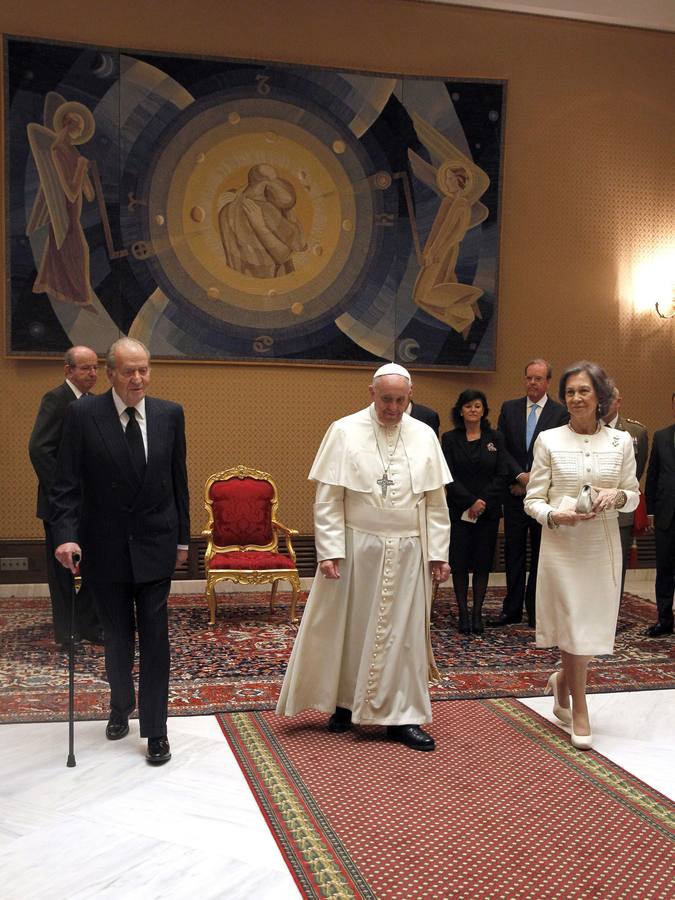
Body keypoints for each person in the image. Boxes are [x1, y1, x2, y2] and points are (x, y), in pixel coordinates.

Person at [276, 362, 451, 752]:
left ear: (410, 396)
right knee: (348, 629)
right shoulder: (344, 430)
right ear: (371, 393)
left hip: (409, 549)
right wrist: (330, 550)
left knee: (403, 637)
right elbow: (328, 498)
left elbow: (436, 504)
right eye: (386, 399)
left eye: (400, 400)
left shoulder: (424, 435)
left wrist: (439, 553)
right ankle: (342, 704)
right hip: (357, 547)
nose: (392, 408)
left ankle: (402, 717)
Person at [51, 338, 190, 765]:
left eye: (144, 370)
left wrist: (183, 540)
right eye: (129, 371)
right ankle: (119, 705)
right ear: (110, 373)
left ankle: (156, 729)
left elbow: (177, 480)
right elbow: (66, 483)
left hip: (155, 544)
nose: (137, 379)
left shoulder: (169, 414)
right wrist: (65, 535)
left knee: (155, 639)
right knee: (116, 637)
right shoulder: (83, 414)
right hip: (105, 546)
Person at [524, 361, 639, 750]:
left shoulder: (621, 442)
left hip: (602, 548)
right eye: (570, 391)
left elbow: (633, 493)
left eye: (583, 391)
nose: (575, 398)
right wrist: (555, 515)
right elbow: (533, 500)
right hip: (563, 547)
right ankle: (580, 706)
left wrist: (619, 496)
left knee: (590, 627)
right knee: (573, 624)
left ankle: (561, 681)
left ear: (600, 396)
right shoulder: (549, 440)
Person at [28, 346, 102, 648]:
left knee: (97, 567)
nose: (92, 374)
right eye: (85, 368)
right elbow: (39, 448)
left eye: (95, 368)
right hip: (60, 504)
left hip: (93, 505)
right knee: (62, 574)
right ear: (68, 370)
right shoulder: (56, 400)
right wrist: (62, 490)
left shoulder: (97, 404)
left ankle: (86, 623)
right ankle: (67, 632)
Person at [489, 358, 568, 628]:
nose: (532, 383)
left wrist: (534, 481)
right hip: (513, 493)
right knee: (513, 553)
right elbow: (502, 447)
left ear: (547, 382)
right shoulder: (509, 408)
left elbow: (560, 452)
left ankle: (536, 610)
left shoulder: (560, 413)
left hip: (544, 498)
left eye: (538, 378)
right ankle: (511, 610)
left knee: (540, 554)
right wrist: (520, 476)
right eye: (529, 378)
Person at [441, 389, 508, 635]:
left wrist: (483, 502)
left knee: (482, 563)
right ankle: (463, 614)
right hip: (460, 511)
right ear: (460, 410)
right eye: (468, 406)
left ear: (484, 410)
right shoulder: (449, 439)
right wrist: (470, 501)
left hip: (487, 513)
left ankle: (477, 614)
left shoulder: (495, 438)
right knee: (458, 564)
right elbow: (447, 476)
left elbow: (501, 474)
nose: (473, 410)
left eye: (478, 406)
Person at [601, 385, 649, 597]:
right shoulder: (587, 427)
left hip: (621, 511)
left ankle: (612, 619)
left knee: (615, 570)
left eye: (609, 399)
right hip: (590, 510)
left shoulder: (635, 432)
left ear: (618, 402)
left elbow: (636, 472)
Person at [643, 392, 675, 637]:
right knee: (664, 570)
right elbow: (652, 476)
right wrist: (651, 512)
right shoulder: (662, 436)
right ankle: (664, 619)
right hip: (666, 514)